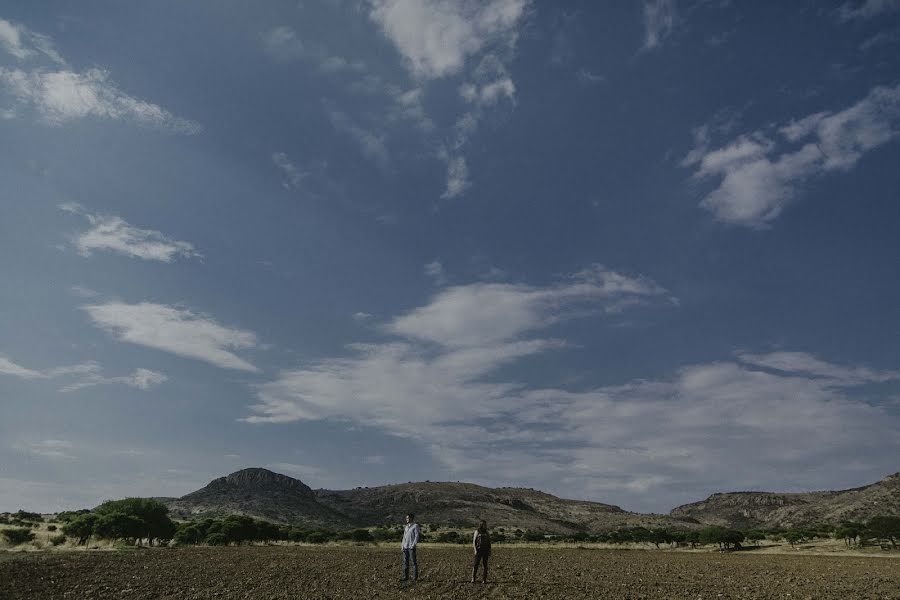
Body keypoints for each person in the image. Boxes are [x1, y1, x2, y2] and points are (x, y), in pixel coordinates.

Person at [400, 513, 420, 582]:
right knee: (405, 562)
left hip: (411, 547)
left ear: (411, 518)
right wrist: (402, 545)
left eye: (408, 518)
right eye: (406, 518)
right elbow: (404, 537)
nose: (406, 519)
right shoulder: (406, 527)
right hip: (405, 547)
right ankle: (405, 577)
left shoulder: (415, 526)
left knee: (413, 562)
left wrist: (413, 545)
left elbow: (417, 536)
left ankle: (415, 578)